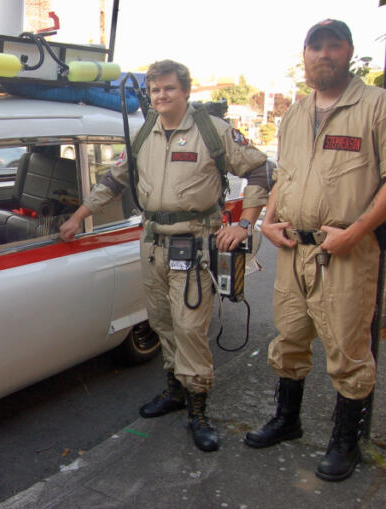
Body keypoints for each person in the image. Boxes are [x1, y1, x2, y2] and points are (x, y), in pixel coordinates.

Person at [60, 60, 268, 452]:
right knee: (162, 322)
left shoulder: (212, 130)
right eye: (155, 90)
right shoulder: (144, 134)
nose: (161, 95)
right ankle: (175, 391)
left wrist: (245, 224)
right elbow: (114, 180)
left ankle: (198, 409)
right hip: (153, 244)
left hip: (195, 244)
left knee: (190, 328)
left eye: (169, 88)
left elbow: (259, 169)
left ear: (185, 91)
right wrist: (78, 217)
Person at [244, 19, 386, 482]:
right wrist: (267, 220)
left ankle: (346, 442)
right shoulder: (295, 114)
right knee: (289, 338)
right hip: (293, 251)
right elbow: (283, 177)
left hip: (345, 251)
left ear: (348, 52)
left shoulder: (377, 106)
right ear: (304, 55)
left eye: (334, 46)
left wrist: (355, 233)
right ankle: (287, 420)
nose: (324, 54)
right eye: (316, 47)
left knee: (347, 349)